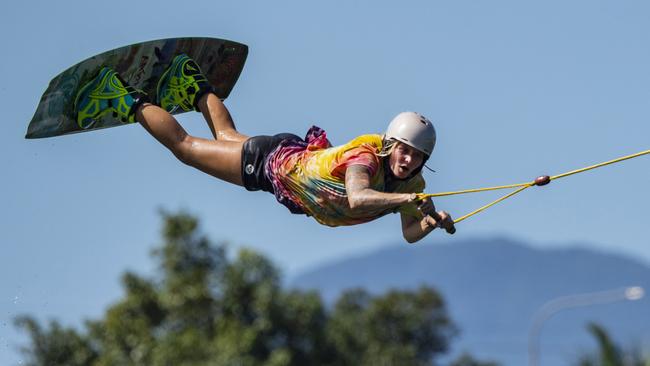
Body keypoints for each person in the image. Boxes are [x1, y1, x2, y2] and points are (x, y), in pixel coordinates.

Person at [74, 54, 456, 243]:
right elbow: (357, 199)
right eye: (403, 150)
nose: (408, 160)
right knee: (186, 148)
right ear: (389, 146)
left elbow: (409, 233)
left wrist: (430, 221)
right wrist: (408, 200)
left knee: (226, 137)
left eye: (416, 155)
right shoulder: (366, 160)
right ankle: (121, 96)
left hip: (284, 158)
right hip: (271, 164)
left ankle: (190, 84)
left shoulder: (409, 183)